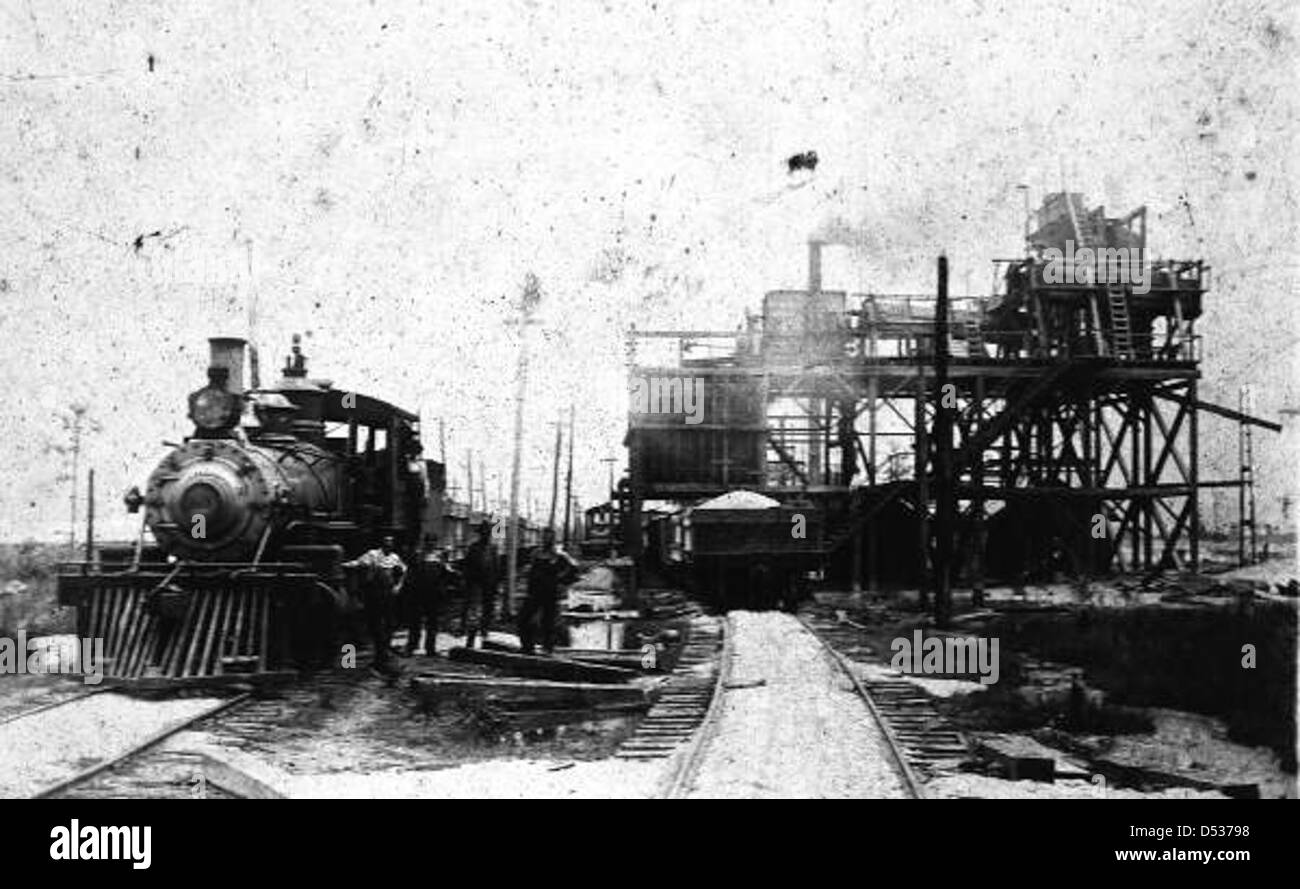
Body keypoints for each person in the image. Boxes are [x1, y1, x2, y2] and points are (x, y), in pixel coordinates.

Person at [343, 535, 406, 676]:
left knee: (388, 624)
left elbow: (403, 571)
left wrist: (398, 586)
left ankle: (382, 655)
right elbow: (357, 564)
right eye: (386, 543)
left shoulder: (395, 558)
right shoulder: (372, 555)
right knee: (368, 626)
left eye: (391, 544)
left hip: (387, 594)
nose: (389, 546)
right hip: (372, 594)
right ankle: (349, 663)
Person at [517, 528, 578, 655]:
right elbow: (530, 569)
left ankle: (547, 648)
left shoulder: (559, 555)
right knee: (523, 618)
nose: (546, 540)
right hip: (533, 592)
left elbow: (574, 569)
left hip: (550, 593)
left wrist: (561, 581)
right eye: (544, 537)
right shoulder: (535, 553)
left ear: (553, 539)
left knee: (548, 622)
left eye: (549, 537)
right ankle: (527, 646)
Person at [404, 538, 447, 656]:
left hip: (433, 593)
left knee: (432, 622)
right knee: (415, 621)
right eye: (429, 542)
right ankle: (412, 645)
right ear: (425, 543)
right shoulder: (418, 556)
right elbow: (410, 573)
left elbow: (443, 575)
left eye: (433, 542)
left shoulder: (439, 557)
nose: (431, 544)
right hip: (418, 592)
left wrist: (442, 590)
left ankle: (430, 648)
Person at [461, 520, 500, 649]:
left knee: (487, 609)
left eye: (487, 533)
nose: (486, 535)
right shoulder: (473, 548)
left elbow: (497, 566)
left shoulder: (493, 548)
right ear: (480, 534)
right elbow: (467, 566)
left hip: (489, 584)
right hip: (475, 584)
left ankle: (484, 632)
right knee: (474, 611)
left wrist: (496, 583)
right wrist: (467, 582)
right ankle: (471, 637)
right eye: (483, 533)